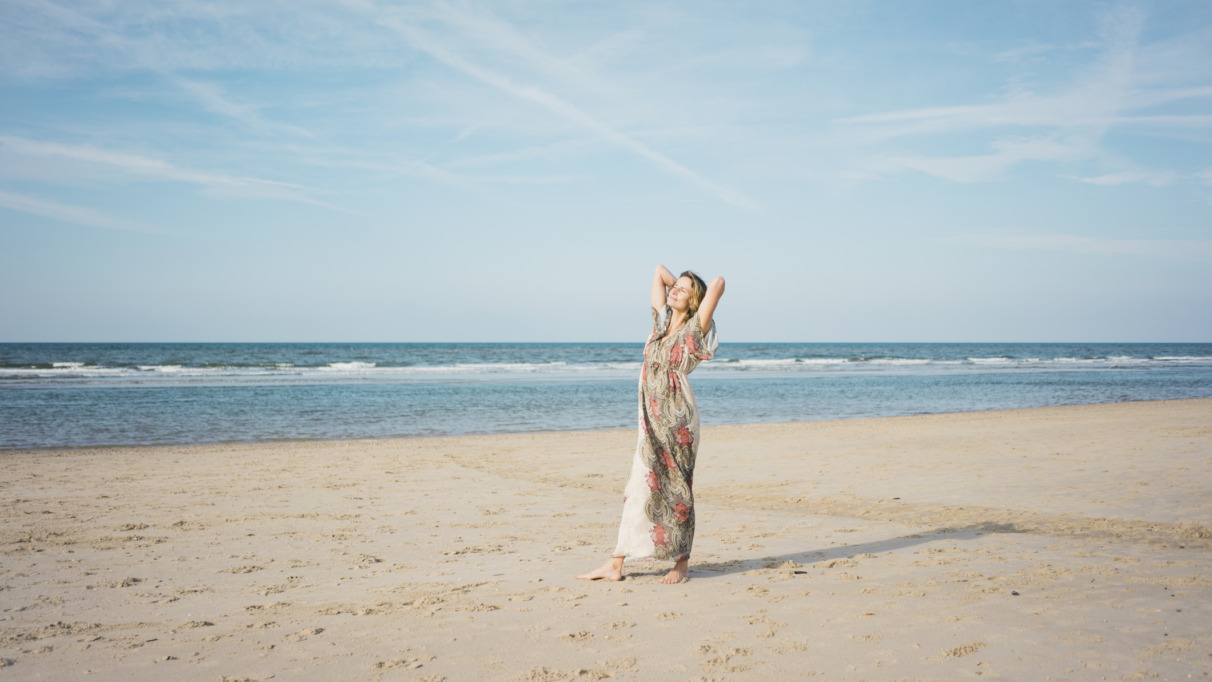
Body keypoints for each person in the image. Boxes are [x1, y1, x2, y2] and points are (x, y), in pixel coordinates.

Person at [578, 264, 725, 584]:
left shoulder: (695, 329)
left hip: (677, 422)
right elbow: (659, 270)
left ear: (694, 302)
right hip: (649, 419)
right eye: (675, 288)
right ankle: (615, 564)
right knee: (638, 487)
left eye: (683, 290)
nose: (673, 290)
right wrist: (678, 288)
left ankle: (681, 564)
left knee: (678, 491)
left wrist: (692, 293)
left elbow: (718, 283)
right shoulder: (659, 324)